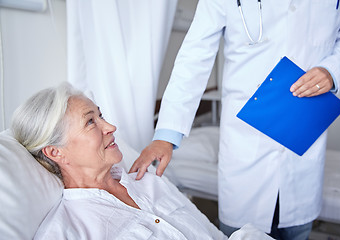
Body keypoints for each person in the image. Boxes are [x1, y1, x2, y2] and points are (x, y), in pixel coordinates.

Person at [129, 0, 340, 239]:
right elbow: (194, 57)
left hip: (303, 145)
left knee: (297, 230)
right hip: (246, 148)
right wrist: (166, 136)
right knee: (241, 232)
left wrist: (333, 70)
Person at [11, 83, 272, 240]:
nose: (111, 126)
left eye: (101, 116)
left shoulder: (147, 180)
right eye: (91, 121)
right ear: (55, 152)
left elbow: (213, 234)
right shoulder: (68, 231)